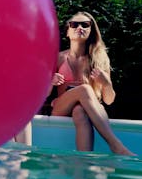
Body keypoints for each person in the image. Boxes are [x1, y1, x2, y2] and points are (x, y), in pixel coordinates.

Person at [50, 11, 134, 155]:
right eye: (74, 24)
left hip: (90, 108)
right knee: (85, 89)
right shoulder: (58, 58)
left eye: (85, 25)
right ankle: (115, 144)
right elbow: (42, 95)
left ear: (91, 31)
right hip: (61, 108)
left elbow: (108, 100)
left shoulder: (99, 59)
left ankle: (84, 163)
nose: (79, 27)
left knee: (79, 112)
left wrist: (106, 84)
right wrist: (50, 82)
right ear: (67, 32)